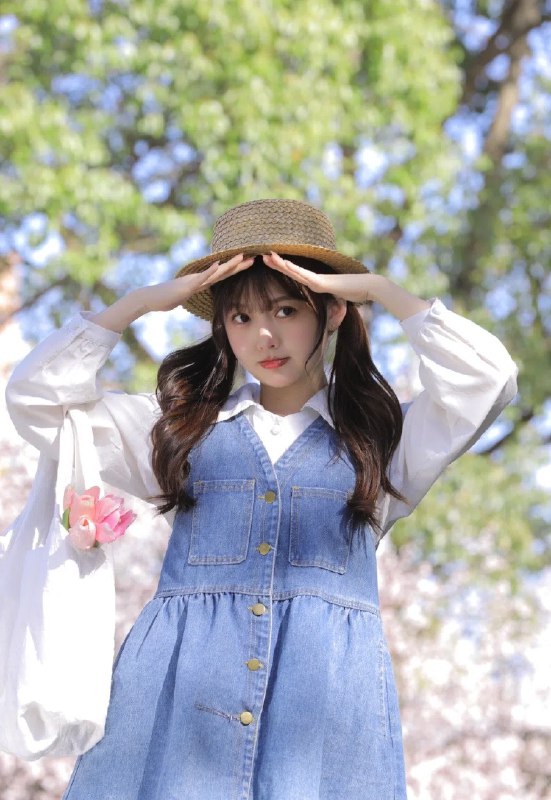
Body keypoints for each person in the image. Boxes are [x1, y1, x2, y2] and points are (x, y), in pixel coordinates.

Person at [5, 199, 518, 799]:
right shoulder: (178, 430)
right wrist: (138, 304)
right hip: (174, 715)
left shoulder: (383, 440)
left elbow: (489, 381)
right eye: (240, 317)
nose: (263, 337)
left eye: (285, 309)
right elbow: (38, 400)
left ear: (331, 310)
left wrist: (382, 291)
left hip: (325, 731)